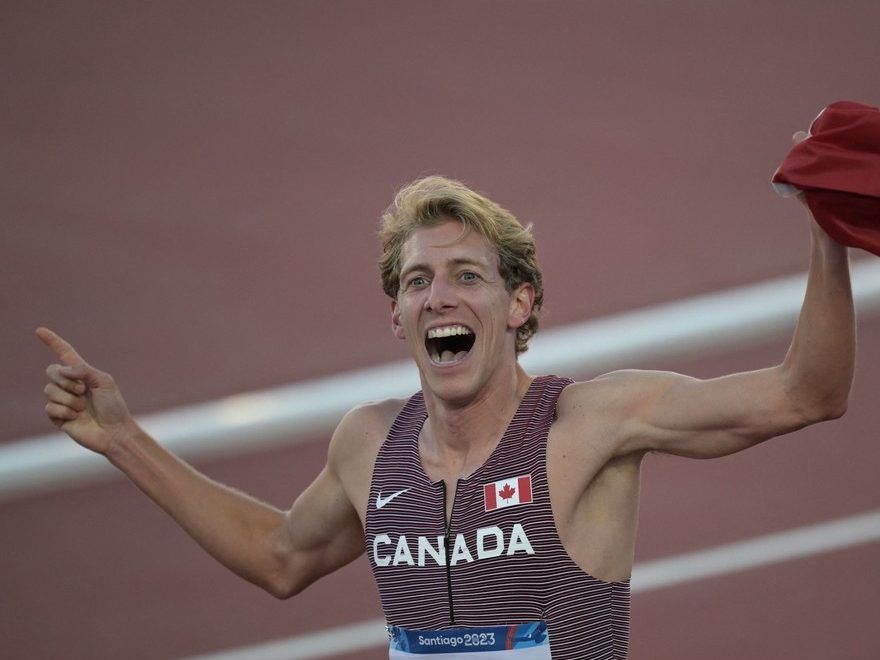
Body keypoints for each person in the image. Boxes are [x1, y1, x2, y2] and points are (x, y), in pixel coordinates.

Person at [38, 136, 855, 659]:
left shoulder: (591, 423)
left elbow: (804, 394)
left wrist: (826, 233)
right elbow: (280, 558)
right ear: (396, 315)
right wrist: (121, 439)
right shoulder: (369, 445)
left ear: (520, 303)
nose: (441, 298)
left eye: (469, 277)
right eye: (418, 282)